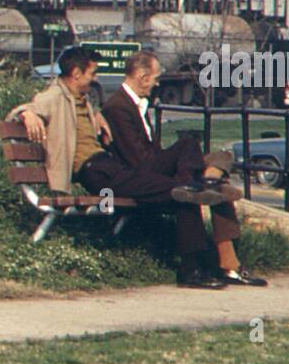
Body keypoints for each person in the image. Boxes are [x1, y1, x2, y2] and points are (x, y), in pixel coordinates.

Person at [10, 46, 266, 289]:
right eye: (93, 73)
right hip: (95, 171)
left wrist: (95, 115)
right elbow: (30, 107)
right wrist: (27, 115)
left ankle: (196, 267)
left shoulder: (82, 98)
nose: (96, 78)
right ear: (76, 74)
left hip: (108, 166)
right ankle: (194, 267)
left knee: (185, 190)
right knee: (184, 189)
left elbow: (87, 114)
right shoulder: (54, 96)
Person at [93, 51, 266, 289]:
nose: (156, 83)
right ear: (143, 77)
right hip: (140, 173)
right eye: (155, 78)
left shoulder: (134, 104)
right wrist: (177, 166)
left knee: (221, 158)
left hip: (153, 166)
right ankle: (220, 262)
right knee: (188, 147)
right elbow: (138, 160)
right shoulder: (117, 107)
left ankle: (228, 261)